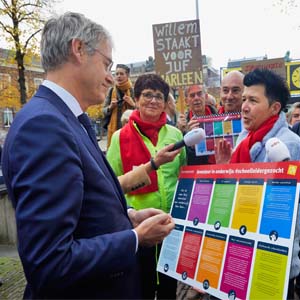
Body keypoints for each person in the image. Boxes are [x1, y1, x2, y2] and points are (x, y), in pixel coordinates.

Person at [1, 12, 177, 299]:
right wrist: (135, 238)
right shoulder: (44, 126)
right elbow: (49, 262)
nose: (110, 77)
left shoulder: (65, 119)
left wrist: (129, 217)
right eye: (106, 63)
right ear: (78, 49)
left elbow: (85, 204)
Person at [215, 68, 300, 300]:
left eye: (253, 100)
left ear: (274, 108)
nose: (243, 106)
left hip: (272, 258)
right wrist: (225, 169)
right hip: (239, 249)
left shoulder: (290, 145)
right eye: (244, 99)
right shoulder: (244, 137)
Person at [106, 73, 186, 299]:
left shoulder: (175, 134)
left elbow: (183, 174)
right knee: (142, 285)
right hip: (139, 226)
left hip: (171, 224)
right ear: (137, 99)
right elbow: (111, 185)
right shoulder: (119, 137)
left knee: (170, 286)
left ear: (165, 102)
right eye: (147, 95)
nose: (153, 101)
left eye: (159, 96)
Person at [183, 84, 217, 165]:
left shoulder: (220, 118)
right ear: (186, 101)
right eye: (192, 95)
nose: (196, 98)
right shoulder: (183, 126)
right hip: (199, 172)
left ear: (205, 97)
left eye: (199, 94)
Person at [102, 63, 135, 148]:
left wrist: (133, 104)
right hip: (114, 130)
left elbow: (142, 112)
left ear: (127, 75)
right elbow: (103, 111)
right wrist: (110, 107)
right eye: (116, 74)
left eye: (121, 74)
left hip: (131, 130)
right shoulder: (111, 91)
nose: (118, 76)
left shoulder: (133, 91)